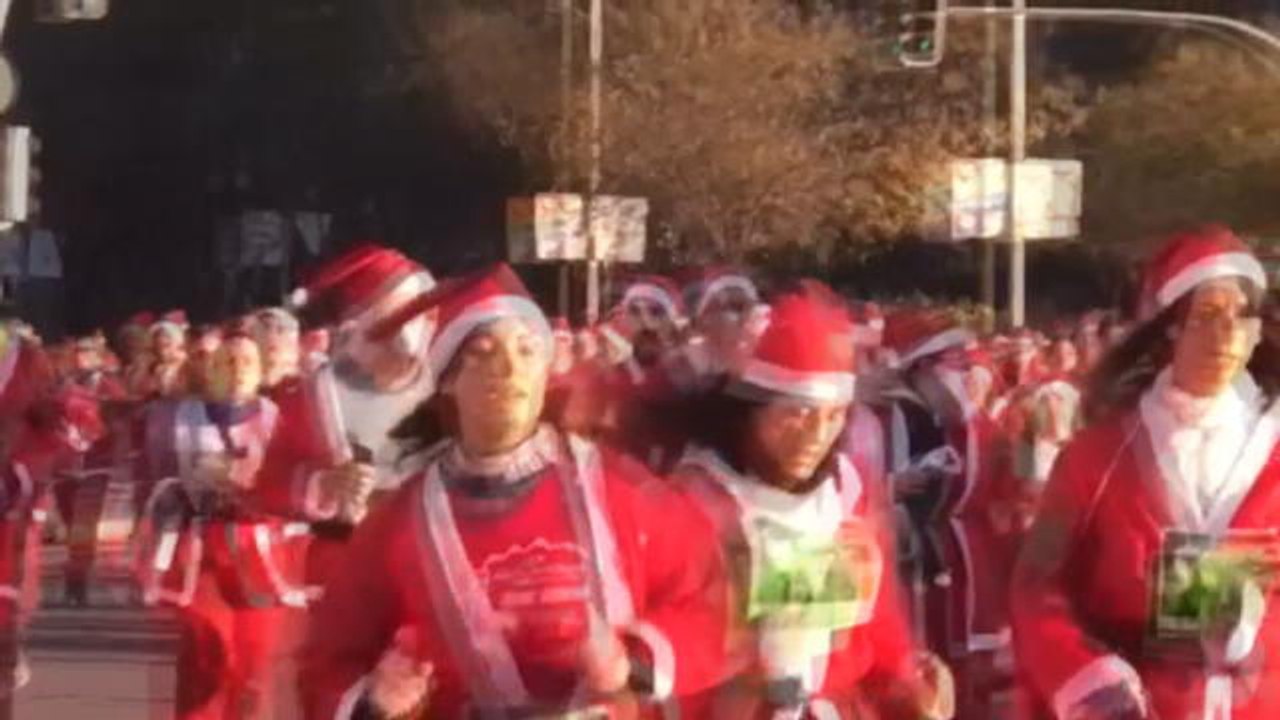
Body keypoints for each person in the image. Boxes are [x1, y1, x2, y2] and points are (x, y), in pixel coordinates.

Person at [299, 264, 727, 719]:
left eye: (527, 351)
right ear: (447, 380)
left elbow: (707, 603)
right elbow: (328, 659)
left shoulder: (620, 488)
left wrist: (633, 663)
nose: (508, 369)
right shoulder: (400, 523)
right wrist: (374, 699)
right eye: (483, 352)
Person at [1012, 226, 1280, 720]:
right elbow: (1035, 583)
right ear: (1167, 332)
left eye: (1242, 316)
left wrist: (1257, 628)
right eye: (1205, 316)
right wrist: (1087, 677)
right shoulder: (1098, 456)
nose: (1226, 335)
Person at [671, 286, 952, 719]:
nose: (815, 436)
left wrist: (904, 685)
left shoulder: (843, 490)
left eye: (833, 416)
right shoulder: (699, 496)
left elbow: (873, 622)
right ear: (754, 409)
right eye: (797, 412)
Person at [137, 329, 306, 719]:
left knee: (253, 664)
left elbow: (293, 484)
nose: (237, 370)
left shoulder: (276, 417)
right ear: (210, 369)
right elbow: (155, 480)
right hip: (202, 549)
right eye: (227, 361)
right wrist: (187, 487)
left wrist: (253, 481)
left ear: (262, 370)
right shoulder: (178, 417)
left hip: (258, 551)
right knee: (205, 652)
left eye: (247, 362)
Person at [252, 243, 435, 592]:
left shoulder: (453, 388)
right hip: (341, 574)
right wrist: (322, 485)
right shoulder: (312, 398)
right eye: (380, 328)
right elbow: (267, 486)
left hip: (430, 570)